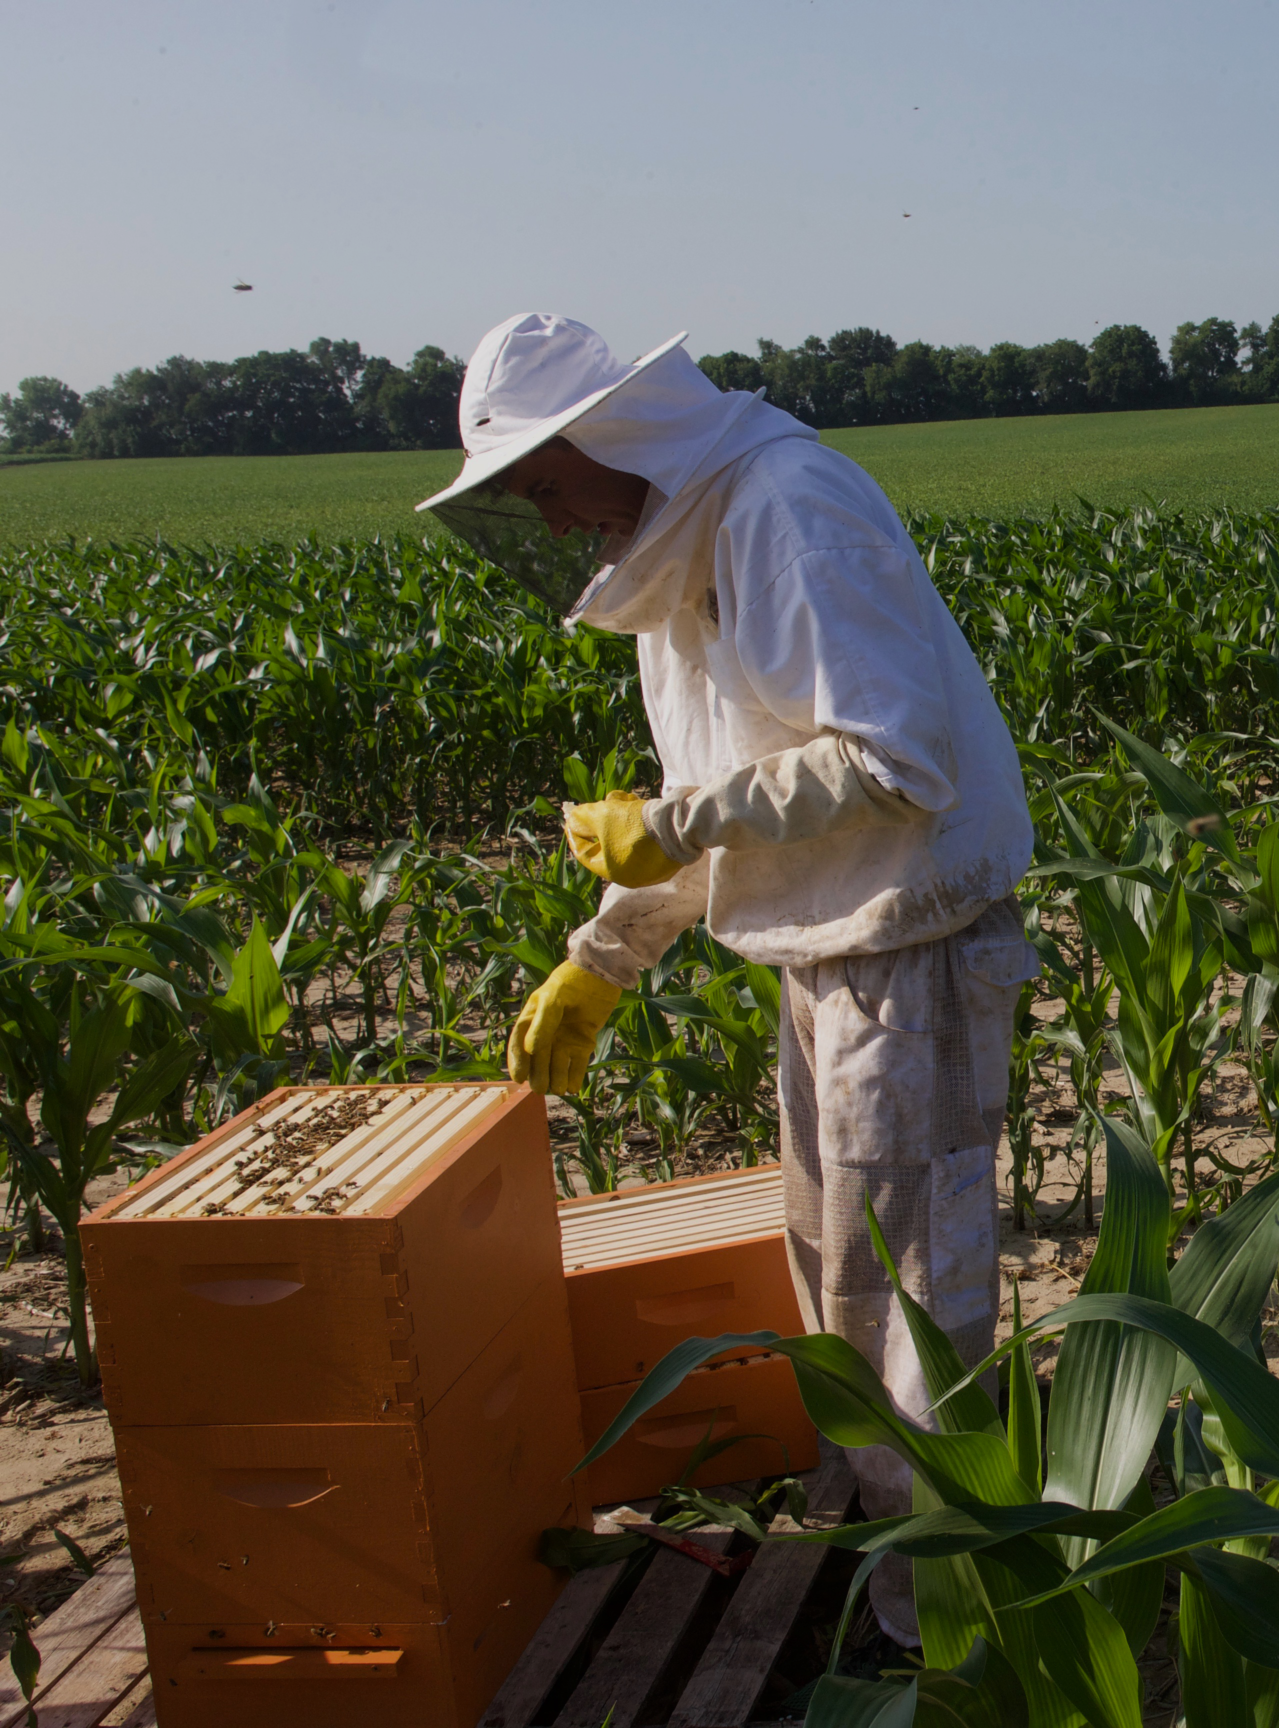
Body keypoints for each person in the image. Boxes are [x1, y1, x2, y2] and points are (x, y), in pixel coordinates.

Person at [416, 313, 1035, 1645]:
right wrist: (600, 960)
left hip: (908, 952)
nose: (556, 518)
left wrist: (676, 826)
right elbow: (714, 804)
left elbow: (894, 758)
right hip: (830, 961)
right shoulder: (672, 558)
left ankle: (967, 1628)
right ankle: (899, 1557)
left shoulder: (788, 505)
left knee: (914, 1299)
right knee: (832, 1273)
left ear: (613, 435)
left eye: (546, 483)